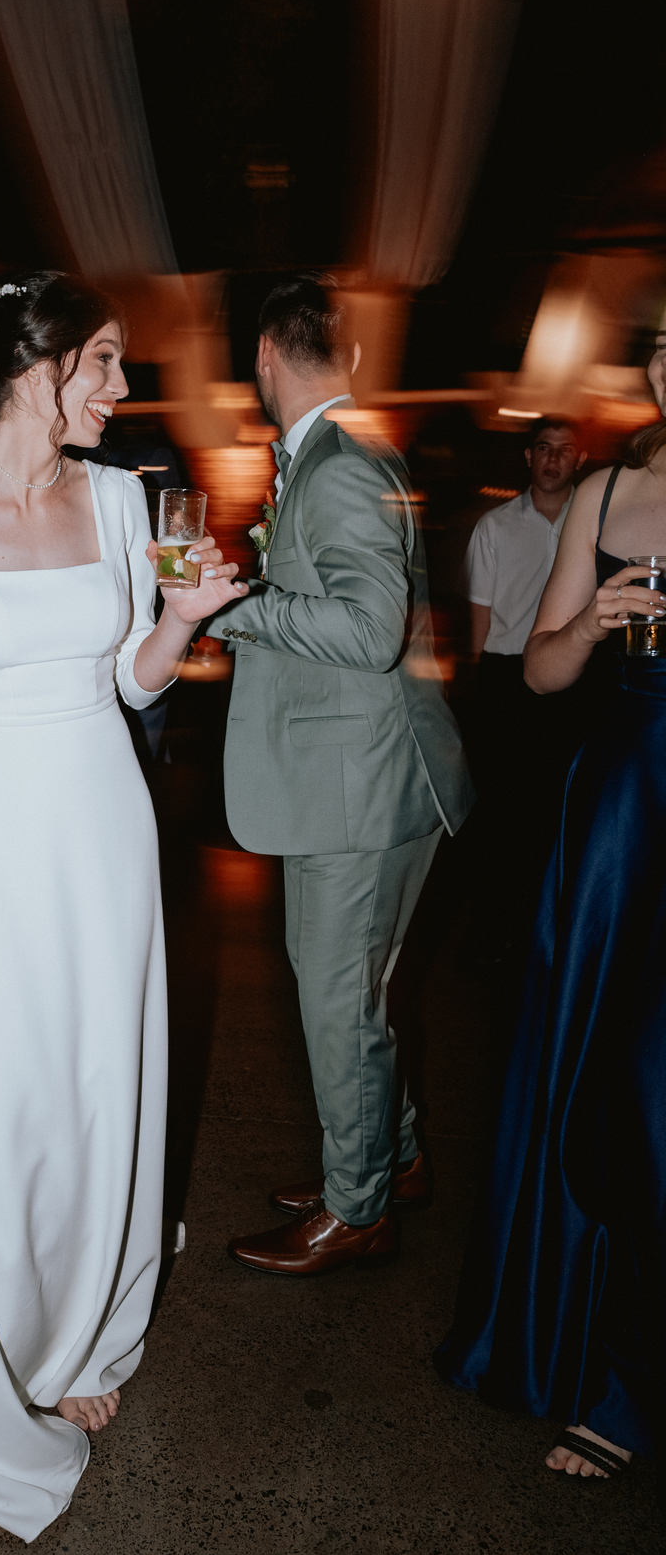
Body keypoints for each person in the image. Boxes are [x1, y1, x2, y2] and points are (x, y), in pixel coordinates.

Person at [0, 272, 245, 1542]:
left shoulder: (124, 495)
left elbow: (131, 680)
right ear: (41, 368)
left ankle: (84, 1335)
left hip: (102, 828)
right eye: (106, 365)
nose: (123, 390)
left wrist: (180, 620)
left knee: (101, 1084)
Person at [435, 335, 666, 1481]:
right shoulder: (612, 490)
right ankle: (610, 1364)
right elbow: (537, 668)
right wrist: (598, 621)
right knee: (606, 1075)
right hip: (628, 806)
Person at [213, 275, 474, 1278]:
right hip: (362, 777)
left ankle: (357, 1209)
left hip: (359, 791)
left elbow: (369, 634)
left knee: (336, 1000)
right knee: (354, 993)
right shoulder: (343, 454)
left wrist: (226, 605)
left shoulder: (332, 469)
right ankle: (388, 1159)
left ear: (267, 357)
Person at [463, 417, 589, 958]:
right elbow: (481, 615)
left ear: (579, 460)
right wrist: (479, 686)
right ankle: (493, 930)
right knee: (498, 808)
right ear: (528, 457)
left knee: (557, 807)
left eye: (565, 450)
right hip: (505, 675)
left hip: (573, 681)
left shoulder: (594, 524)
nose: (554, 459)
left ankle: (551, 932)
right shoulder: (495, 526)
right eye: (544, 448)